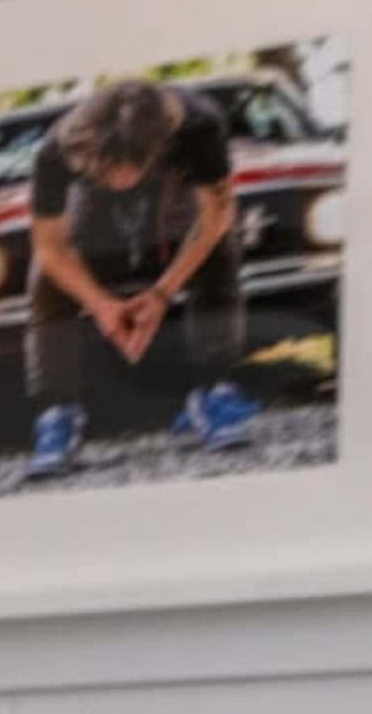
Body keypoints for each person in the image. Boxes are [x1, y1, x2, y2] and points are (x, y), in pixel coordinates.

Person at [20, 76, 251, 480]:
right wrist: (101, 305)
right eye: (115, 167)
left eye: (132, 164)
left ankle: (213, 390)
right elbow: (50, 248)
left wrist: (162, 293)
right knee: (47, 278)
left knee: (217, 246)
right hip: (89, 190)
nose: (124, 177)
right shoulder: (57, 151)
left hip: (172, 186)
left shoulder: (198, 125)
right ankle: (57, 412)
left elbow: (216, 216)